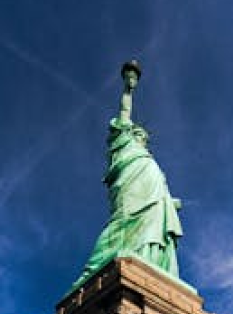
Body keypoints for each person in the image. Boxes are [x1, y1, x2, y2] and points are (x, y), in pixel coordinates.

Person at [70, 60, 183, 291]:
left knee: (153, 226)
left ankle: (150, 264)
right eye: (138, 133)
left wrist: (168, 202)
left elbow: (160, 188)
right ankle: (93, 271)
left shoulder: (149, 159)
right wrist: (128, 88)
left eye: (144, 136)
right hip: (129, 185)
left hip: (154, 194)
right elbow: (124, 111)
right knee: (121, 223)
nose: (142, 136)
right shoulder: (123, 142)